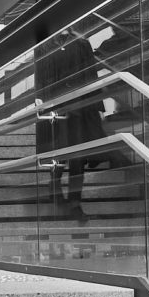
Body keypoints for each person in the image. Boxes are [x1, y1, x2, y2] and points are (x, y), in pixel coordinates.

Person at [33, 28, 103, 220]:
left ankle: (75, 203)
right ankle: (55, 191)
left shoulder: (81, 43)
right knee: (59, 153)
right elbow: (39, 74)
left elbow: (91, 74)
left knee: (78, 157)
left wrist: (97, 106)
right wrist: (39, 98)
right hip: (55, 108)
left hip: (80, 106)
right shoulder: (44, 45)